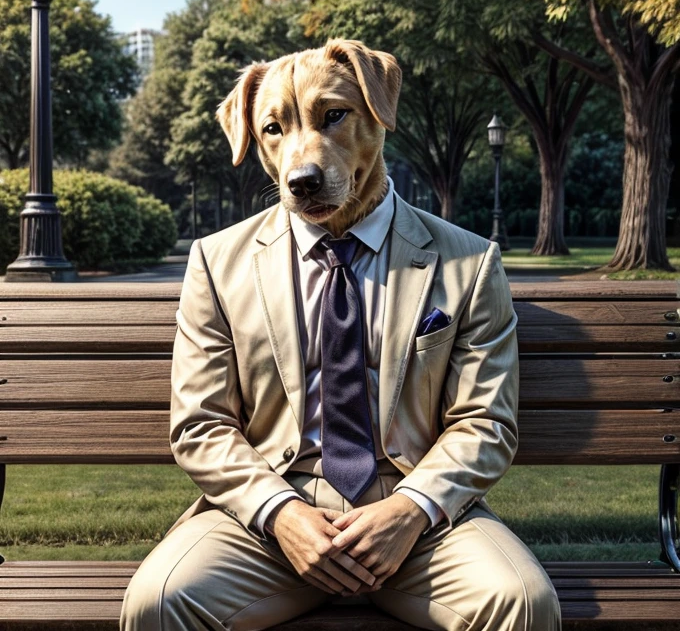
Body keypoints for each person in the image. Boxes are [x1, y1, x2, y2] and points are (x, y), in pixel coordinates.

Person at [121, 40, 560, 631]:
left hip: (418, 516)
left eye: (332, 117)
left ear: (378, 106)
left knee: (523, 602)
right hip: (269, 518)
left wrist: (409, 511)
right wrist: (280, 514)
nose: (304, 162)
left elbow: (486, 422)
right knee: (160, 601)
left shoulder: (468, 263)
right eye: (275, 130)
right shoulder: (217, 263)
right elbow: (201, 425)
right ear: (254, 143)